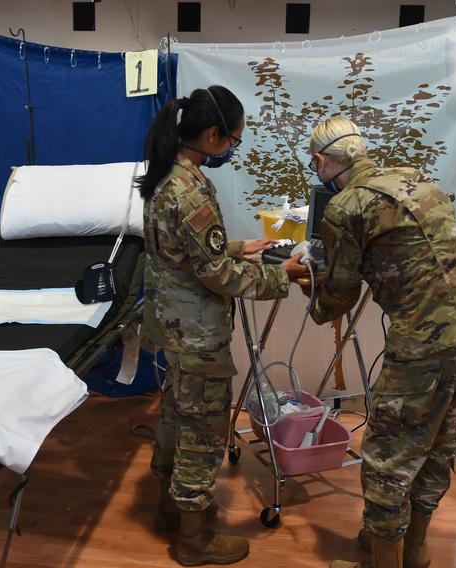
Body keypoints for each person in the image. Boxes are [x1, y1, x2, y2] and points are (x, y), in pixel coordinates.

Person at [304, 118, 456, 568]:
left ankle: (382, 561)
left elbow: (339, 295)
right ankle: (414, 552)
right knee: (439, 442)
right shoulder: (418, 178)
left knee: (387, 458)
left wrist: (309, 290)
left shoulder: (345, 206)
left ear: (322, 161)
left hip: (426, 345)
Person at [137, 85, 307, 566]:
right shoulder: (191, 190)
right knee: (203, 430)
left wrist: (240, 245)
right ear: (212, 135)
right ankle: (193, 540)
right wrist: (284, 274)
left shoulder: (165, 176)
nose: (231, 149)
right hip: (197, 334)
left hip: (172, 325)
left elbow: (180, 253)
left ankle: (171, 508)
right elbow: (218, 276)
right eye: (232, 141)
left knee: (175, 413)